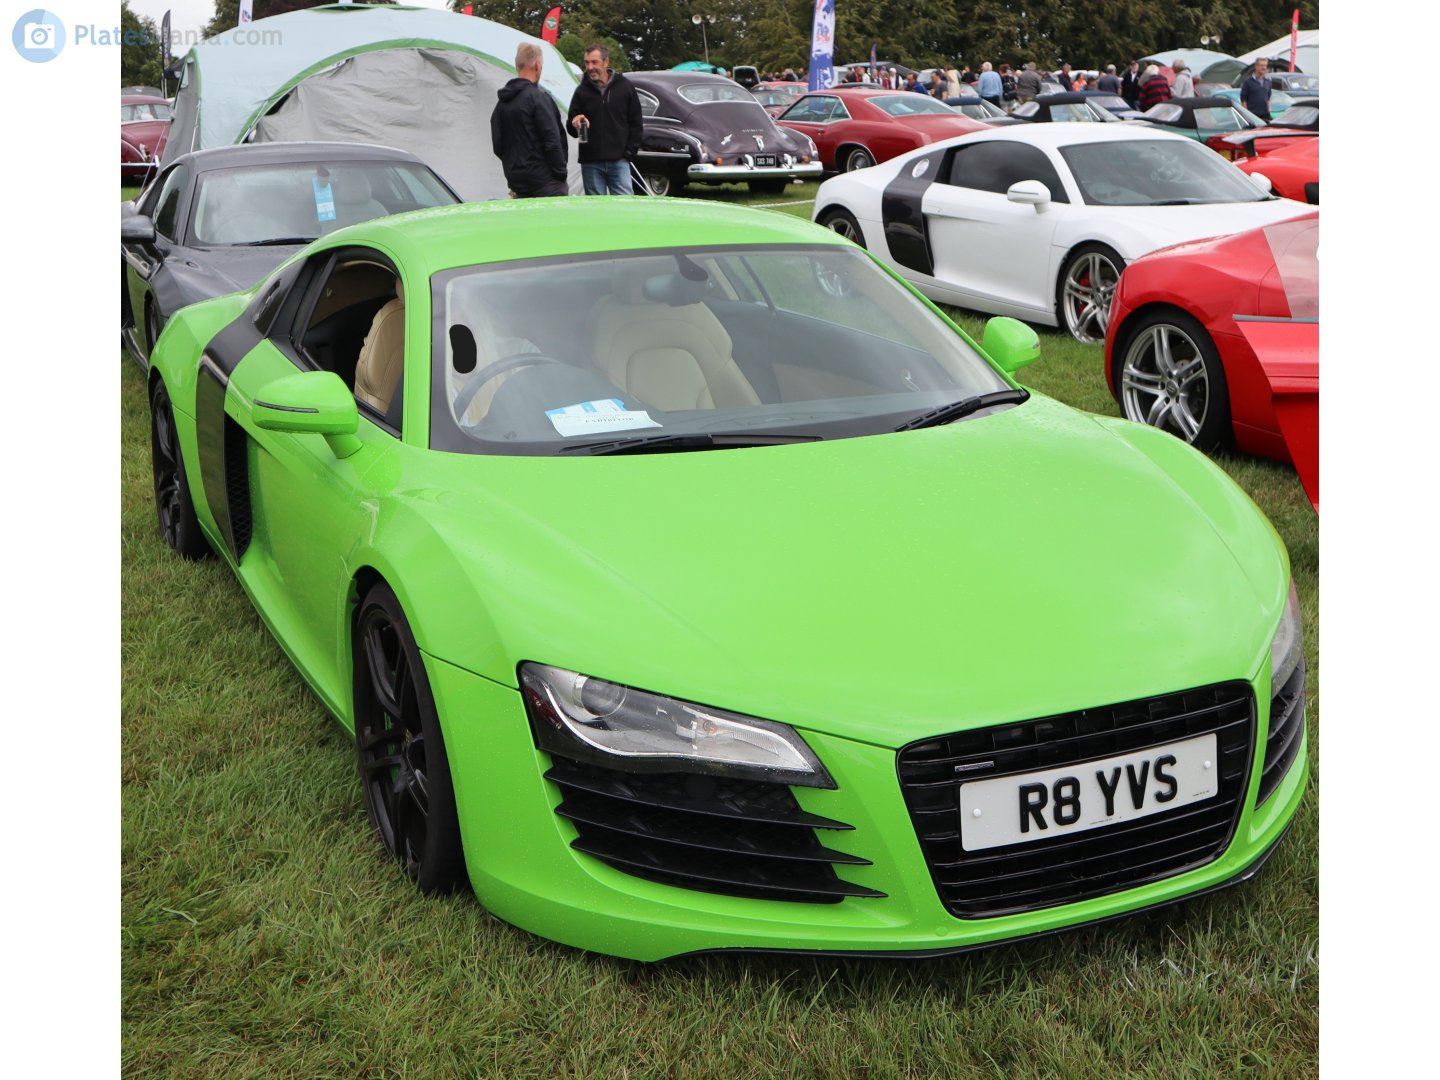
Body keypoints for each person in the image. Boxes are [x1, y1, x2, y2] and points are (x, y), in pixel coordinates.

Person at [490, 42, 568, 199]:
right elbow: (552, 140)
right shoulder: (538, 98)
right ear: (538, 65)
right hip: (546, 183)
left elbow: (498, 145)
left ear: (517, 65)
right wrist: (560, 173)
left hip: (518, 183)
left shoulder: (502, 104)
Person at [566, 43, 643, 196]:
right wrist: (574, 122)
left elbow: (636, 123)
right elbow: (571, 127)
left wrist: (628, 153)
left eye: (594, 62)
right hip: (591, 163)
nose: (590, 67)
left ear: (606, 62)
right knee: (596, 212)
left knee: (625, 208)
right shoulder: (581, 91)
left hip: (619, 162)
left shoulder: (625, 87)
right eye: (587, 62)